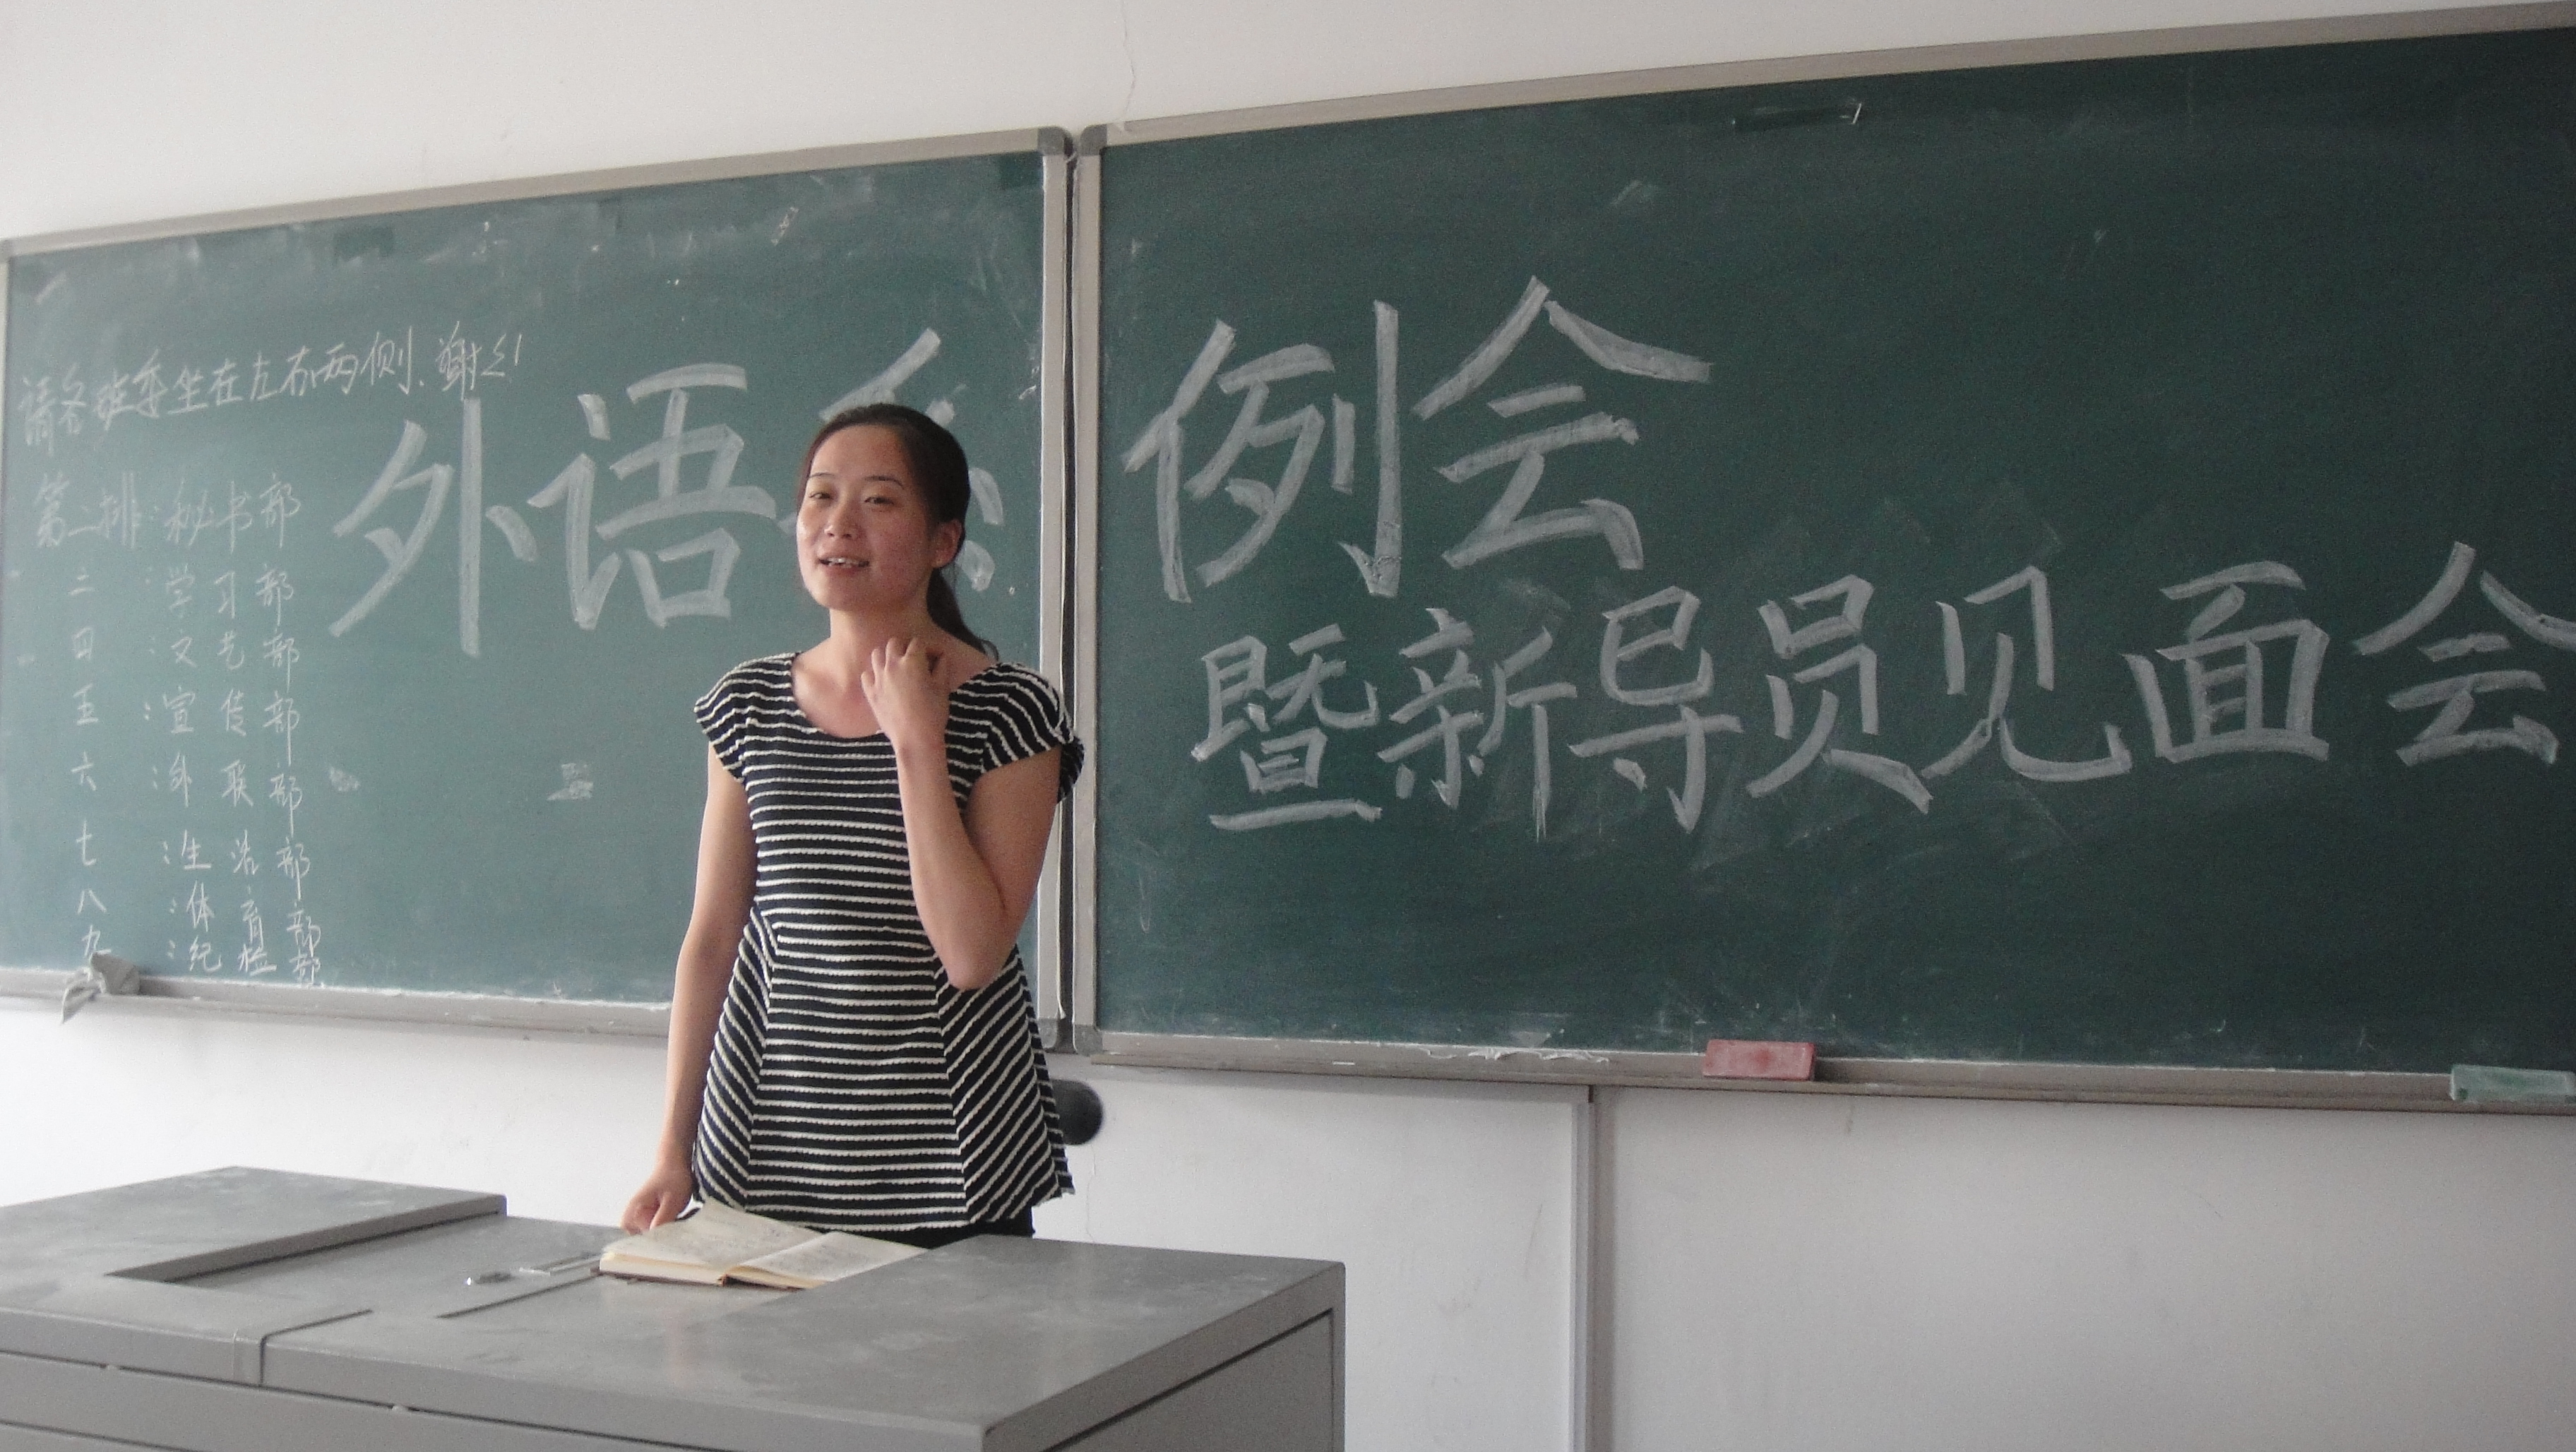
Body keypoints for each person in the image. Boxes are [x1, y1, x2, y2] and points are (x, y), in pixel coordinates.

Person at [621, 403, 1078, 1249]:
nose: (838, 524)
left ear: (943, 541)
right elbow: (713, 939)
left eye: (879, 501)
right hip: (763, 1146)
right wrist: (671, 1149)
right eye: (820, 496)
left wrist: (917, 741)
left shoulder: (1010, 710)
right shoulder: (750, 705)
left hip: (951, 1160)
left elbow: (971, 954)